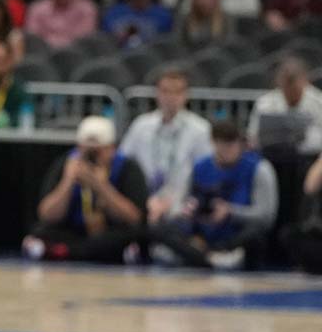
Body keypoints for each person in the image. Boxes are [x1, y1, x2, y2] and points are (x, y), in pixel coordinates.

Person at [150, 120, 278, 270]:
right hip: (202, 233)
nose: (227, 151)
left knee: (255, 233)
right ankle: (203, 255)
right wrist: (191, 212)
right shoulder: (199, 167)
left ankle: (209, 254)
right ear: (213, 143)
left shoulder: (259, 169)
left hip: (235, 233)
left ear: (240, 144)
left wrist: (231, 211)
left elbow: (266, 216)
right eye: (222, 145)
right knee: (161, 228)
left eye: (231, 145)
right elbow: (181, 204)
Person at [25, 116, 147, 263]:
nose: (91, 156)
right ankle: (81, 251)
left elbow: (134, 218)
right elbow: (46, 214)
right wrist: (68, 182)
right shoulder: (67, 164)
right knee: (42, 231)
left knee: (132, 235)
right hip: (74, 231)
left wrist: (101, 187)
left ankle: (63, 251)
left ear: (111, 148)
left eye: (98, 151)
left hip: (110, 231)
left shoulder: (126, 167)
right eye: (87, 150)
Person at [120, 68, 213, 225]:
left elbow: (206, 173)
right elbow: (123, 163)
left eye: (177, 92)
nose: (171, 97)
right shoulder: (141, 125)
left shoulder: (200, 130)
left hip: (182, 207)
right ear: (157, 93)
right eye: (165, 91)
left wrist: (178, 203)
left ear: (185, 95)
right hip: (144, 203)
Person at [248, 56, 322, 153]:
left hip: (311, 156)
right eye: (286, 84)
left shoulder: (318, 101)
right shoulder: (265, 102)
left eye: (295, 85)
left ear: (305, 81)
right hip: (273, 155)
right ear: (279, 81)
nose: (291, 89)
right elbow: (253, 136)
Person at [102, 0, 173, 49]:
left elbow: (166, 46)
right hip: (117, 57)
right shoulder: (112, 14)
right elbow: (105, 43)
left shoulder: (163, 15)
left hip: (151, 57)